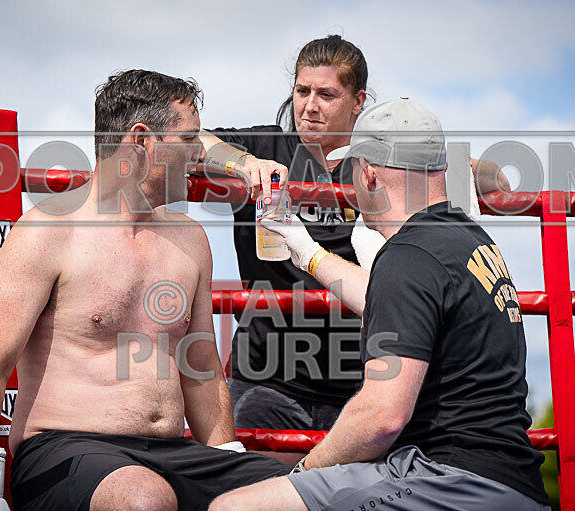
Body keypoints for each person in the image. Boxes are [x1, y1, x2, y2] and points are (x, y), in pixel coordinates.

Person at [0, 69, 290, 511]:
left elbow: (202, 367)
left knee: (303, 490)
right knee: (142, 497)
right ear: (141, 140)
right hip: (63, 451)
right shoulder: (47, 230)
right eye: (189, 139)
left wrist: (227, 466)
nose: (198, 154)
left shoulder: (189, 239)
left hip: (173, 456)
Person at [209, 98, 549, 510]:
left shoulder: (409, 255)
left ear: (369, 174)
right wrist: (308, 252)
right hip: (513, 482)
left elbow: (381, 418)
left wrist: (305, 472)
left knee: (233, 507)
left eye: (351, 168)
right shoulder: (467, 241)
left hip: (448, 479)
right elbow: (387, 300)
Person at [197, 35, 508, 431]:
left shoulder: (379, 160)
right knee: (259, 487)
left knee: (352, 490)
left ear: (358, 101)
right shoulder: (265, 145)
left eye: (326, 94)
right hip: (268, 376)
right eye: (302, 90)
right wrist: (243, 164)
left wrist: (439, 160)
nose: (309, 106)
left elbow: (497, 179)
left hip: (361, 382)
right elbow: (192, 140)